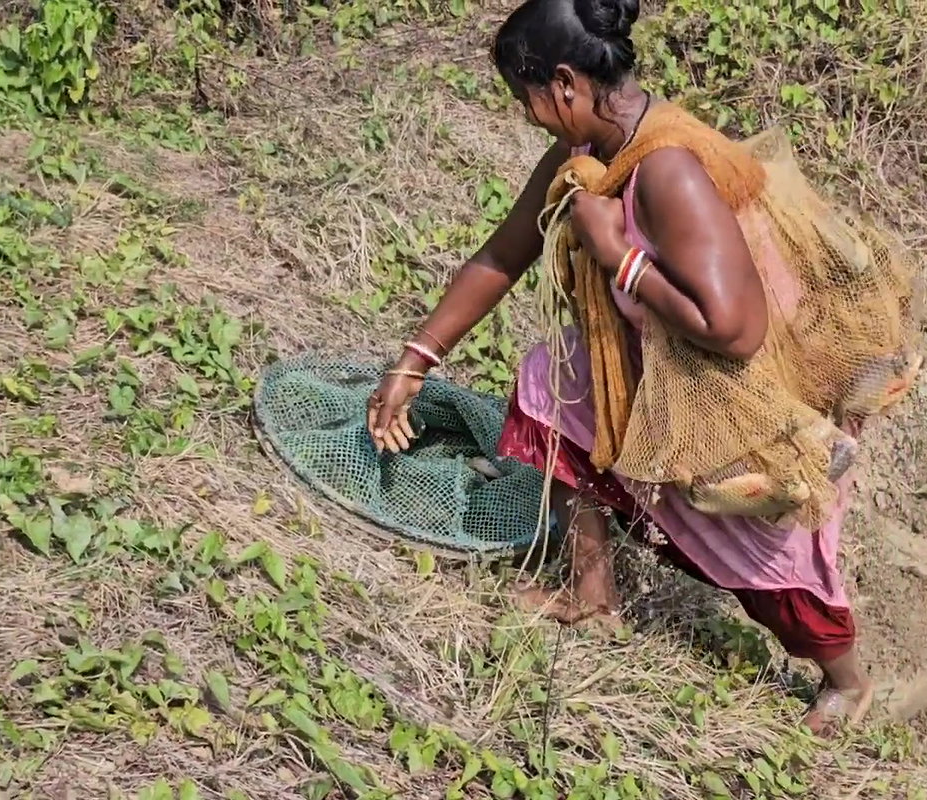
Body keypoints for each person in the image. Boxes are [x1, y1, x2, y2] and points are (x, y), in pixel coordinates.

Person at [367, 0, 876, 733]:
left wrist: (620, 258)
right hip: (652, 361)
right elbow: (503, 255)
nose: (530, 117)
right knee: (556, 384)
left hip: (734, 390)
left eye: (529, 98)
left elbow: (735, 330)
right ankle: (592, 596)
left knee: (767, 551)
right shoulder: (590, 156)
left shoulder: (668, 172)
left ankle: (846, 679)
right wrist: (415, 361)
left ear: (566, 85)